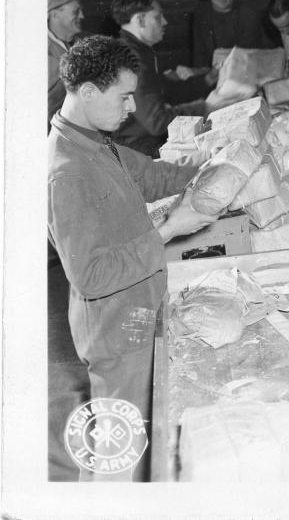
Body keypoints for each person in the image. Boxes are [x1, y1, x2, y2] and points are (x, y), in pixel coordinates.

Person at [48, 35, 218, 480]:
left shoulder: (96, 141)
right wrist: (167, 231)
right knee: (119, 455)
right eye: (123, 96)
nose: (130, 107)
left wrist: (209, 164)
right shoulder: (66, 172)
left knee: (142, 435)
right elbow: (91, 275)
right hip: (115, 330)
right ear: (87, 92)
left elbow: (150, 176)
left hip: (139, 310)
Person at [111, 0, 214, 157]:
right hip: (136, 151)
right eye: (158, 17)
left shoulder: (138, 50)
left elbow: (166, 90)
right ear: (140, 20)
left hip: (141, 142)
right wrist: (206, 107)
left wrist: (207, 80)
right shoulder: (132, 59)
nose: (165, 22)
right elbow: (156, 122)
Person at [191, 0, 269, 69]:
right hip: (210, 74)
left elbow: (246, 58)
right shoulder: (201, 14)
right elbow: (199, 56)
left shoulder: (248, 15)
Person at [48, 0, 86, 126]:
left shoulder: (85, 43)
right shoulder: (38, 51)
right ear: (55, 15)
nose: (82, 16)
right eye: (76, 11)